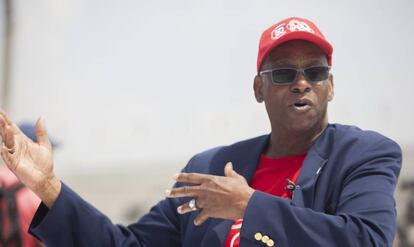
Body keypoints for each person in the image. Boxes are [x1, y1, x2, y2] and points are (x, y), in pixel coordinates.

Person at [0, 17, 401, 247]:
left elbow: (368, 240)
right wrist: (49, 187)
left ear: (330, 85)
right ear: (259, 88)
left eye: (315, 72)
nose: (301, 83)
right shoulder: (212, 167)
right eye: (283, 73)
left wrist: (250, 206)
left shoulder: (363, 155)